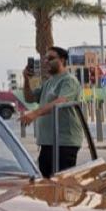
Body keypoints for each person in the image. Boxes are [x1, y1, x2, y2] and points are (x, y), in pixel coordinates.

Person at [19, 46, 83, 177]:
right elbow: (29, 98)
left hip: (63, 143)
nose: (46, 61)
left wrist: (35, 113)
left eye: (51, 58)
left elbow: (61, 101)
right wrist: (26, 79)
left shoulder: (69, 80)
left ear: (62, 60)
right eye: (45, 59)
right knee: (46, 180)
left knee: (61, 182)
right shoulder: (48, 83)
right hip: (47, 142)